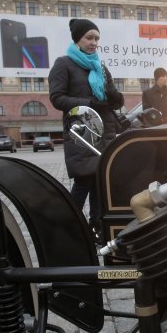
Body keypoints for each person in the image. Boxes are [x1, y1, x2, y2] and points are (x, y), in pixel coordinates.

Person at [49, 18, 125, 231]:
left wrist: (115, 98)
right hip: (81, 132)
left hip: (105, 131)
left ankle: (97, 226)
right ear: (77, 39)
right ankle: (68, 227)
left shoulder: (100, 65)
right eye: (89, 38)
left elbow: (113, 98)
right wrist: (88, 103)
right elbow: (57, 98)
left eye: (97, 38)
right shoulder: (63, 64)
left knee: (100, 183)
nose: (94, 42)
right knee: (84, 181)